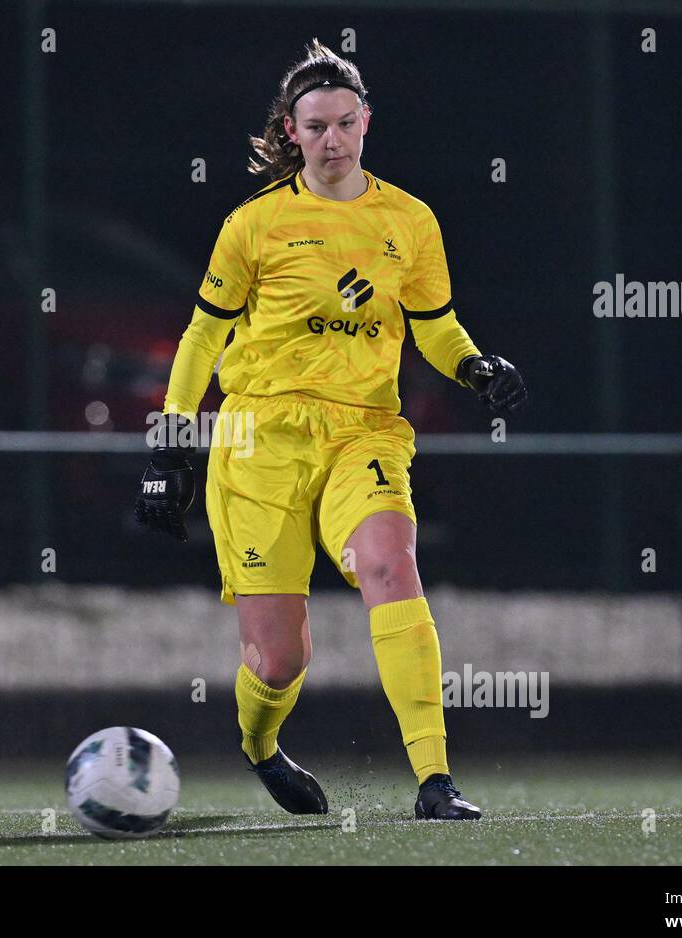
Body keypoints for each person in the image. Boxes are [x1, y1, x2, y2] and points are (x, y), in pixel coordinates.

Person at [134, 39, 526, 821]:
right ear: (290, 131)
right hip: (259, 438)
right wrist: (171, 441)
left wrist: (476, 366)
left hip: (365, 431)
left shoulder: (410, 221)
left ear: (366, 122)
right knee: (281, 659)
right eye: (316, 127)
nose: (333, 140)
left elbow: (435, 328)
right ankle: (258, 743)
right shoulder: (254, 226)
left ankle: (435, 781)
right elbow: (202, 337)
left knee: (390, 565)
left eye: (346, 124)